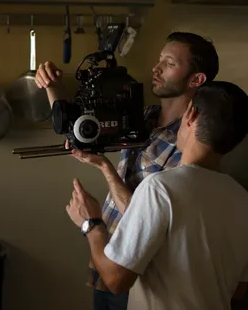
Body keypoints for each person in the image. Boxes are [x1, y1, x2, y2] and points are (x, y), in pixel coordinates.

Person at [35, 31, 219, 310]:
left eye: (169, 63)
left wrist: (104, 168)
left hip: (139, 278)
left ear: (196, 79)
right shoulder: (140, 115)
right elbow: (76, 131)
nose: (156, 69)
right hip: (107, 256)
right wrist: (53, 87)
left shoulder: (193, 140)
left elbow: (151, 216)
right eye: (160, 60)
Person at [66, 80, 248, 310]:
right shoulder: (242, 199)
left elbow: (115, 279)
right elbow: (239, 291)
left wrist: (91, 223)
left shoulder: (160, 188)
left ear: (190, 115)